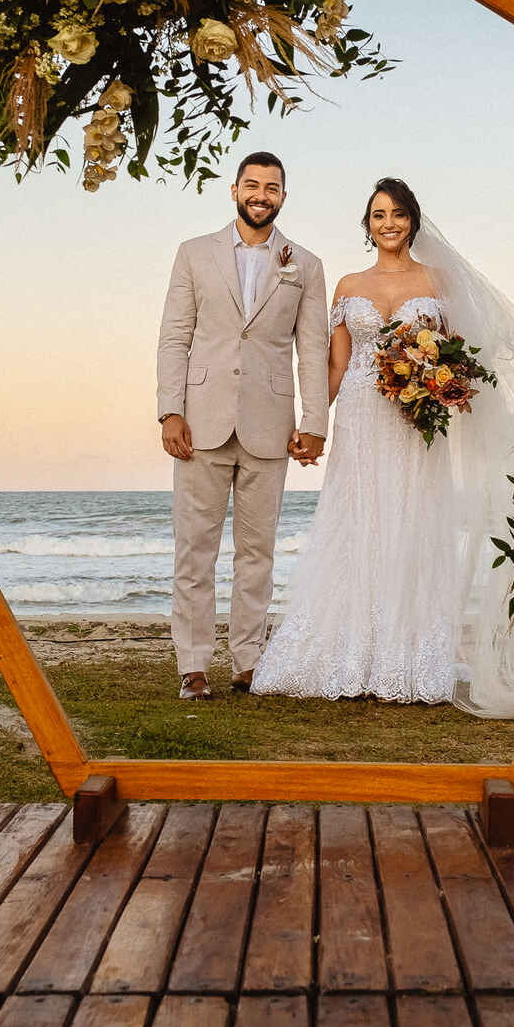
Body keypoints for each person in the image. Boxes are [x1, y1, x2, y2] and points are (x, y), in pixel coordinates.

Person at [251, 177, 514, 703]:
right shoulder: (346, 285)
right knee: (359, 522)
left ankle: (409, 659)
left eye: (398, 214)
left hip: (414, 421)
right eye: (378, 214)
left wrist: (438, 385)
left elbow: (461, 355)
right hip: (362, 417)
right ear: (367, 225)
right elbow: (336, 363)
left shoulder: (439, 281)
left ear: (413, 221)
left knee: (411, 522)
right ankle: (349, 653)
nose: (388, 223)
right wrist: (313, 425)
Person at [157, 152, 329, 700]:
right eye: (252, 185)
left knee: (258, 553)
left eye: (272, 187)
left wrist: (315, 423)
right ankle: (193, 665)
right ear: (234, 191)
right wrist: (170, 410)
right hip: (200, 423)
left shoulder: (306, 264)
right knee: (195, 550)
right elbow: (174, 337)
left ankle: (249, 660)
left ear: (283, 195)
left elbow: (312, 349)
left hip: (269, 425)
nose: (262, 194)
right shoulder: (193, 254)